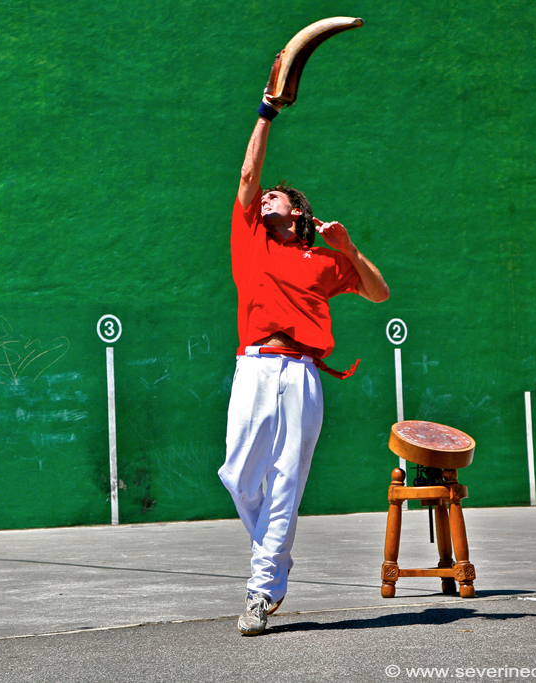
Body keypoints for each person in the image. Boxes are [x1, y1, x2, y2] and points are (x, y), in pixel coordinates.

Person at [218, 91, 390, 636]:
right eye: (264, 196)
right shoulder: (249, 239)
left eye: (276, 197)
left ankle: (262, 589)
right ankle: (276, 553)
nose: (264, 197)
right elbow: (248, 173)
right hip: (254, 367)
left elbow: (379, 293)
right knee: (239, 476)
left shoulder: (322, 260)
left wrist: (350, 247)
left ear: (299, 214)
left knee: (287, 483)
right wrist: (266, 113)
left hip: (301, 375)